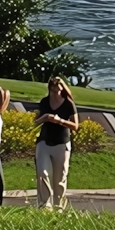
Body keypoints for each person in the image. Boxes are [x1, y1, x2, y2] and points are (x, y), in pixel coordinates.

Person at [33, 76, 79, 210]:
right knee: (43, 172)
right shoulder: (44, 102)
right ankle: (44, 205)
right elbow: (35, 121)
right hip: (44, 141)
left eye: (58, 91)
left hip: (61, 143)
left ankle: (59, 206)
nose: (55, 94)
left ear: (62, 90)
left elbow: (75, 126)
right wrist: (44, 118)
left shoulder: (68, 104)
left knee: (60, 177)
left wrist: (60, 121)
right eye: (53, 91)